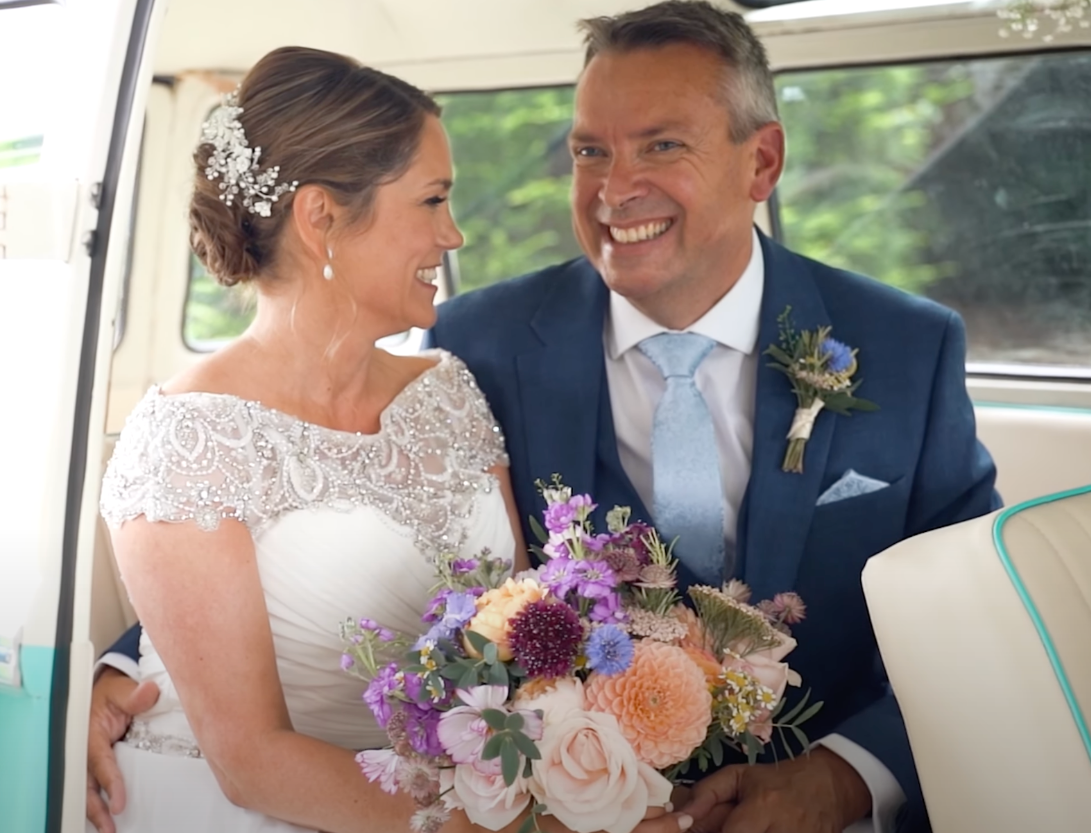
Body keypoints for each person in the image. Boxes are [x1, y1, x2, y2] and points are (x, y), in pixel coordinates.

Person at [89, 4, 999, 832]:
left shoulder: (907, 348)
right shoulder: (480, 343)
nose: (614, 188)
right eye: (589, 151)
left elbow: (979, 613)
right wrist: (132, 664)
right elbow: (252, 536)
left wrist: (843, 778)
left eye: (661, 146)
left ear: (761, 162)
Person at [88, 46, 688, 833]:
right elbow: (249, 760)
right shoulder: (187, 438)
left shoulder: (446, 390)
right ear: (321, 217)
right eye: (432, 200)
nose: (454, 234)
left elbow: (524, 634)